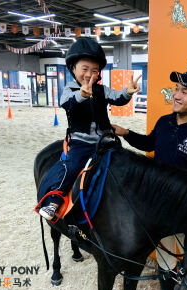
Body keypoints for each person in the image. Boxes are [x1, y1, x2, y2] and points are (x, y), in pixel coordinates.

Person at [112, 68, 187, 290]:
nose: (177, 95)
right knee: (154, 257)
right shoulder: (164, 122)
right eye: (176, 89)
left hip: (180, 216)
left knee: (176, 265)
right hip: (153, 207)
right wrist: (125, 132)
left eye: (186, 92)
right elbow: (149, 143)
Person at [38, 38, 141, 221]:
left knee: (126, 162)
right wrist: (81, 95)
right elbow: (67, 104)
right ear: (73, 69)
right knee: (71, 167)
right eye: (84, 69)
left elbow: (118, 98)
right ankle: (54, 200)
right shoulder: (69, 90)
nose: (89, 74)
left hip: (106, 140)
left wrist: (127, 92)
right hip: (81, 142)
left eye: (94, 70)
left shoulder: (102, 90)